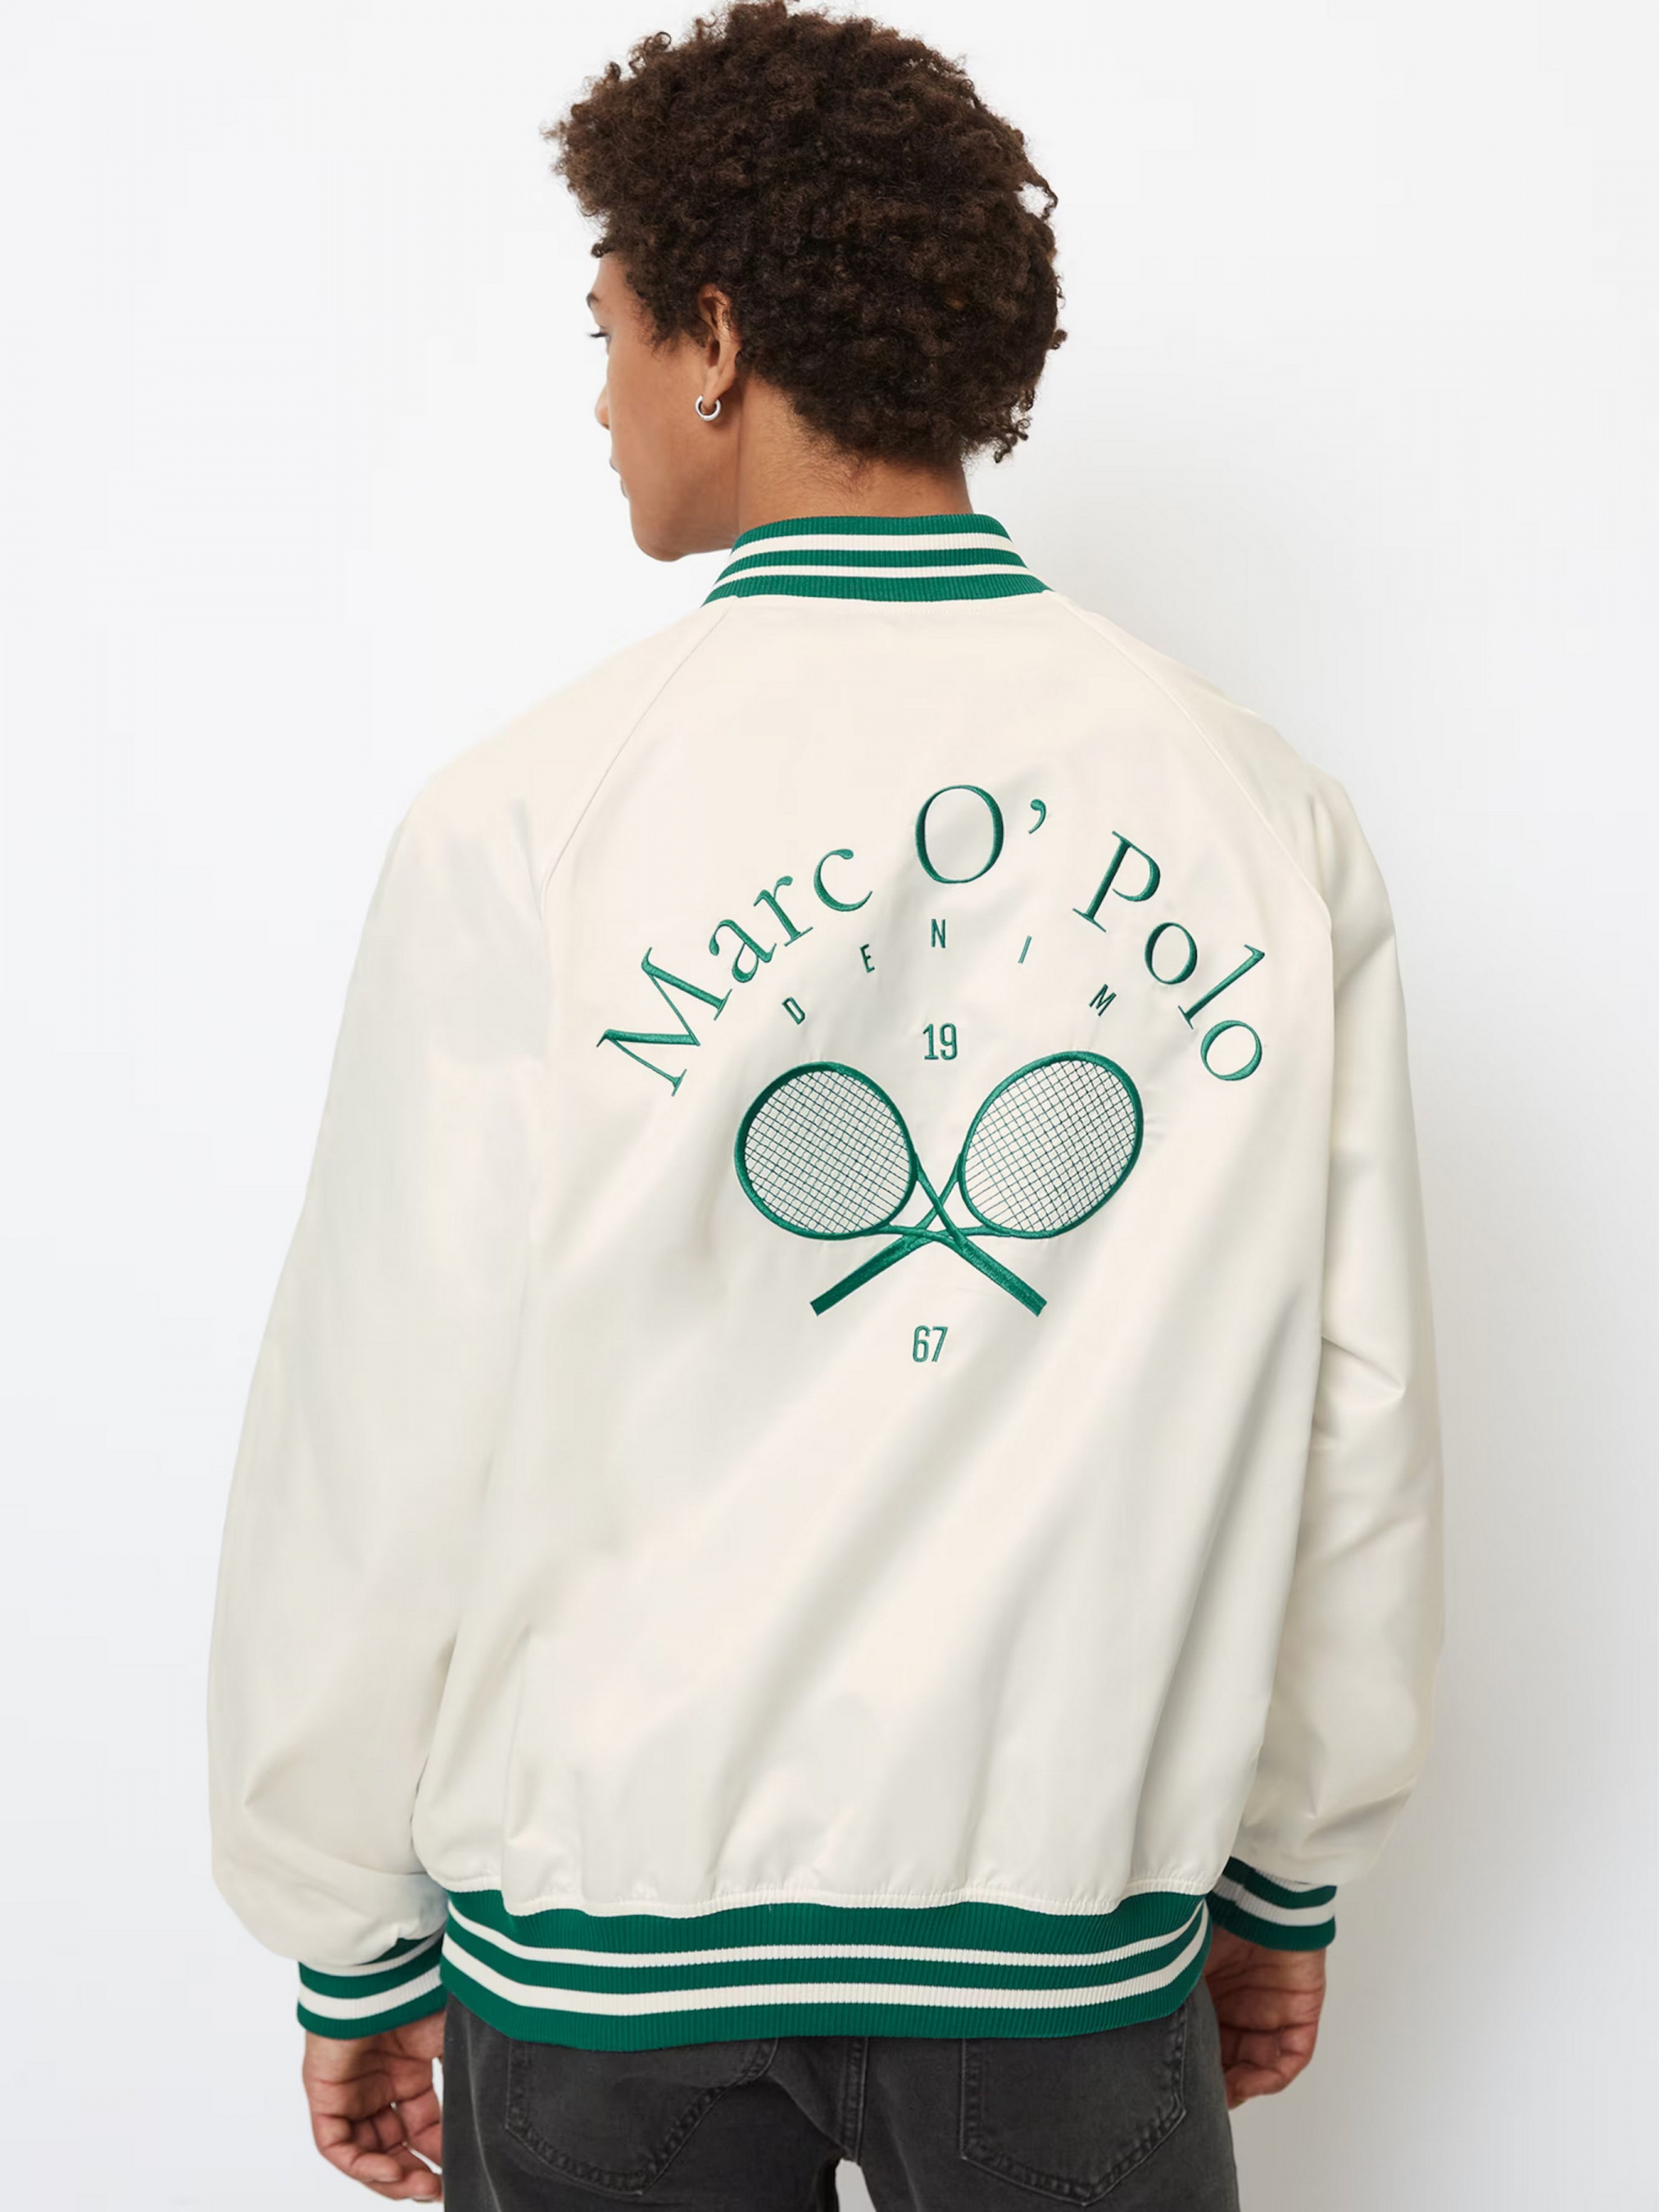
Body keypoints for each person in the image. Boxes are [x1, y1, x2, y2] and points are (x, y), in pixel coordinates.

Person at [206, 5, 1443, 2205]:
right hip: (1072, 1948)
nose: (598, 401)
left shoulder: (531, 820)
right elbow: (1361, 1410)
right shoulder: (1257, 813)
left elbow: (377, 1408)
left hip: (605, 1968)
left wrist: (344, 1920)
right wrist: (1286, 1860)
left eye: (608, 332)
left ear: (715, 336)